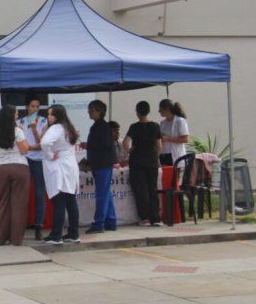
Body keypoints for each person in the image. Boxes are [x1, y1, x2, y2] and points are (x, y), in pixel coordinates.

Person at [0, 105, 30, 246]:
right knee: (18, 204)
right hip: (20, 167)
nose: (17, 116)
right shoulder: (17, 131)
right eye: (16, 114)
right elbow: (24, 150)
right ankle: (16, 239)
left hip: (2, 168)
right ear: (11, 116)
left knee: (1, 203)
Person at [41, 104, 81, 245]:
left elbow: (45, 142)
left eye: (51, 114)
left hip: (60, 166)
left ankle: (56, 235)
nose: (48, 117)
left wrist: (50, 154)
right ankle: (73, 233)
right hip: (70, 164)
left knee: (59, 201)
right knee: (71, 200)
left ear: (57, 116)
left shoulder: (56, 128)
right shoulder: (68, 127)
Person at [124, 101, 164, 226]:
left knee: (141, 189)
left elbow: (125, 143)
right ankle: (156, 218)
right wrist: (155, 156)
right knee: (152, 188)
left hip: (137, 161)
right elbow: (159, 146)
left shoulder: (134, 127)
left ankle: (145, 218)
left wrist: (130, 151)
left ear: (137, 112)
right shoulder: (155, 126)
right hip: (151, 160)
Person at [80, 100, 117, 234]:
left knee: (102, 193)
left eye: (91, 110)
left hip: (103, 164)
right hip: (100, 163)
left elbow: (105, 145)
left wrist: (88, 146)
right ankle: (111, 221)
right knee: (105, 192)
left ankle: (99, 223)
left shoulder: (102, 127)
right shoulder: (97, 126)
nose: (89, 112)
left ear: (99, 111)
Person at [17, 96, 49, 240]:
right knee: (21, 192)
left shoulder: (43, 121)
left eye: (37, 106)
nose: (35, 109)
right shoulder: (19, 122)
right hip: (23, 158)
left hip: (38, 160)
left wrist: (35, 129)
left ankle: (38, 226)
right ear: (27, 107)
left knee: (39, 193)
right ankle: (20, 225)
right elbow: (19, 143)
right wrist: (30, 148)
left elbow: (41, 144)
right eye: (32, 106)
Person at [158, 99, 189, 166]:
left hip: (176, 154)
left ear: (167, 109)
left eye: (160, 109)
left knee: (175, 175)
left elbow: (185, 139)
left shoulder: (180, 121)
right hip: (164, 154)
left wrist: (168, 139)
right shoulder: (162, 123)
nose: (159, 111)